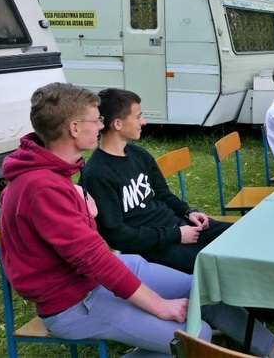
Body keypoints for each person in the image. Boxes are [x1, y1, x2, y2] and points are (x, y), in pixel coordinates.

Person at [0, 83, 274, 358]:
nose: (101, 125)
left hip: (93, 280)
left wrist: (82, 209)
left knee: (204, 290)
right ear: (74, 128)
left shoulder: (55, 175)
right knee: (196, 335)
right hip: (73, 301)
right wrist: (159, 305)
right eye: (96, 120)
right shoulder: (44, 188)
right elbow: (95, 258)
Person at [83, 88, 230, 275]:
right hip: (153, 248)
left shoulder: (139, 154)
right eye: (138, 117)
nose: (143, 122)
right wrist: (175, 235)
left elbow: (163, 194)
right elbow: (117, 235)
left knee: (238, 236)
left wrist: (188, 212)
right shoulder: (97, 174)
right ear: (118, 124)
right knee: (219, 269)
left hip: (179, 228)